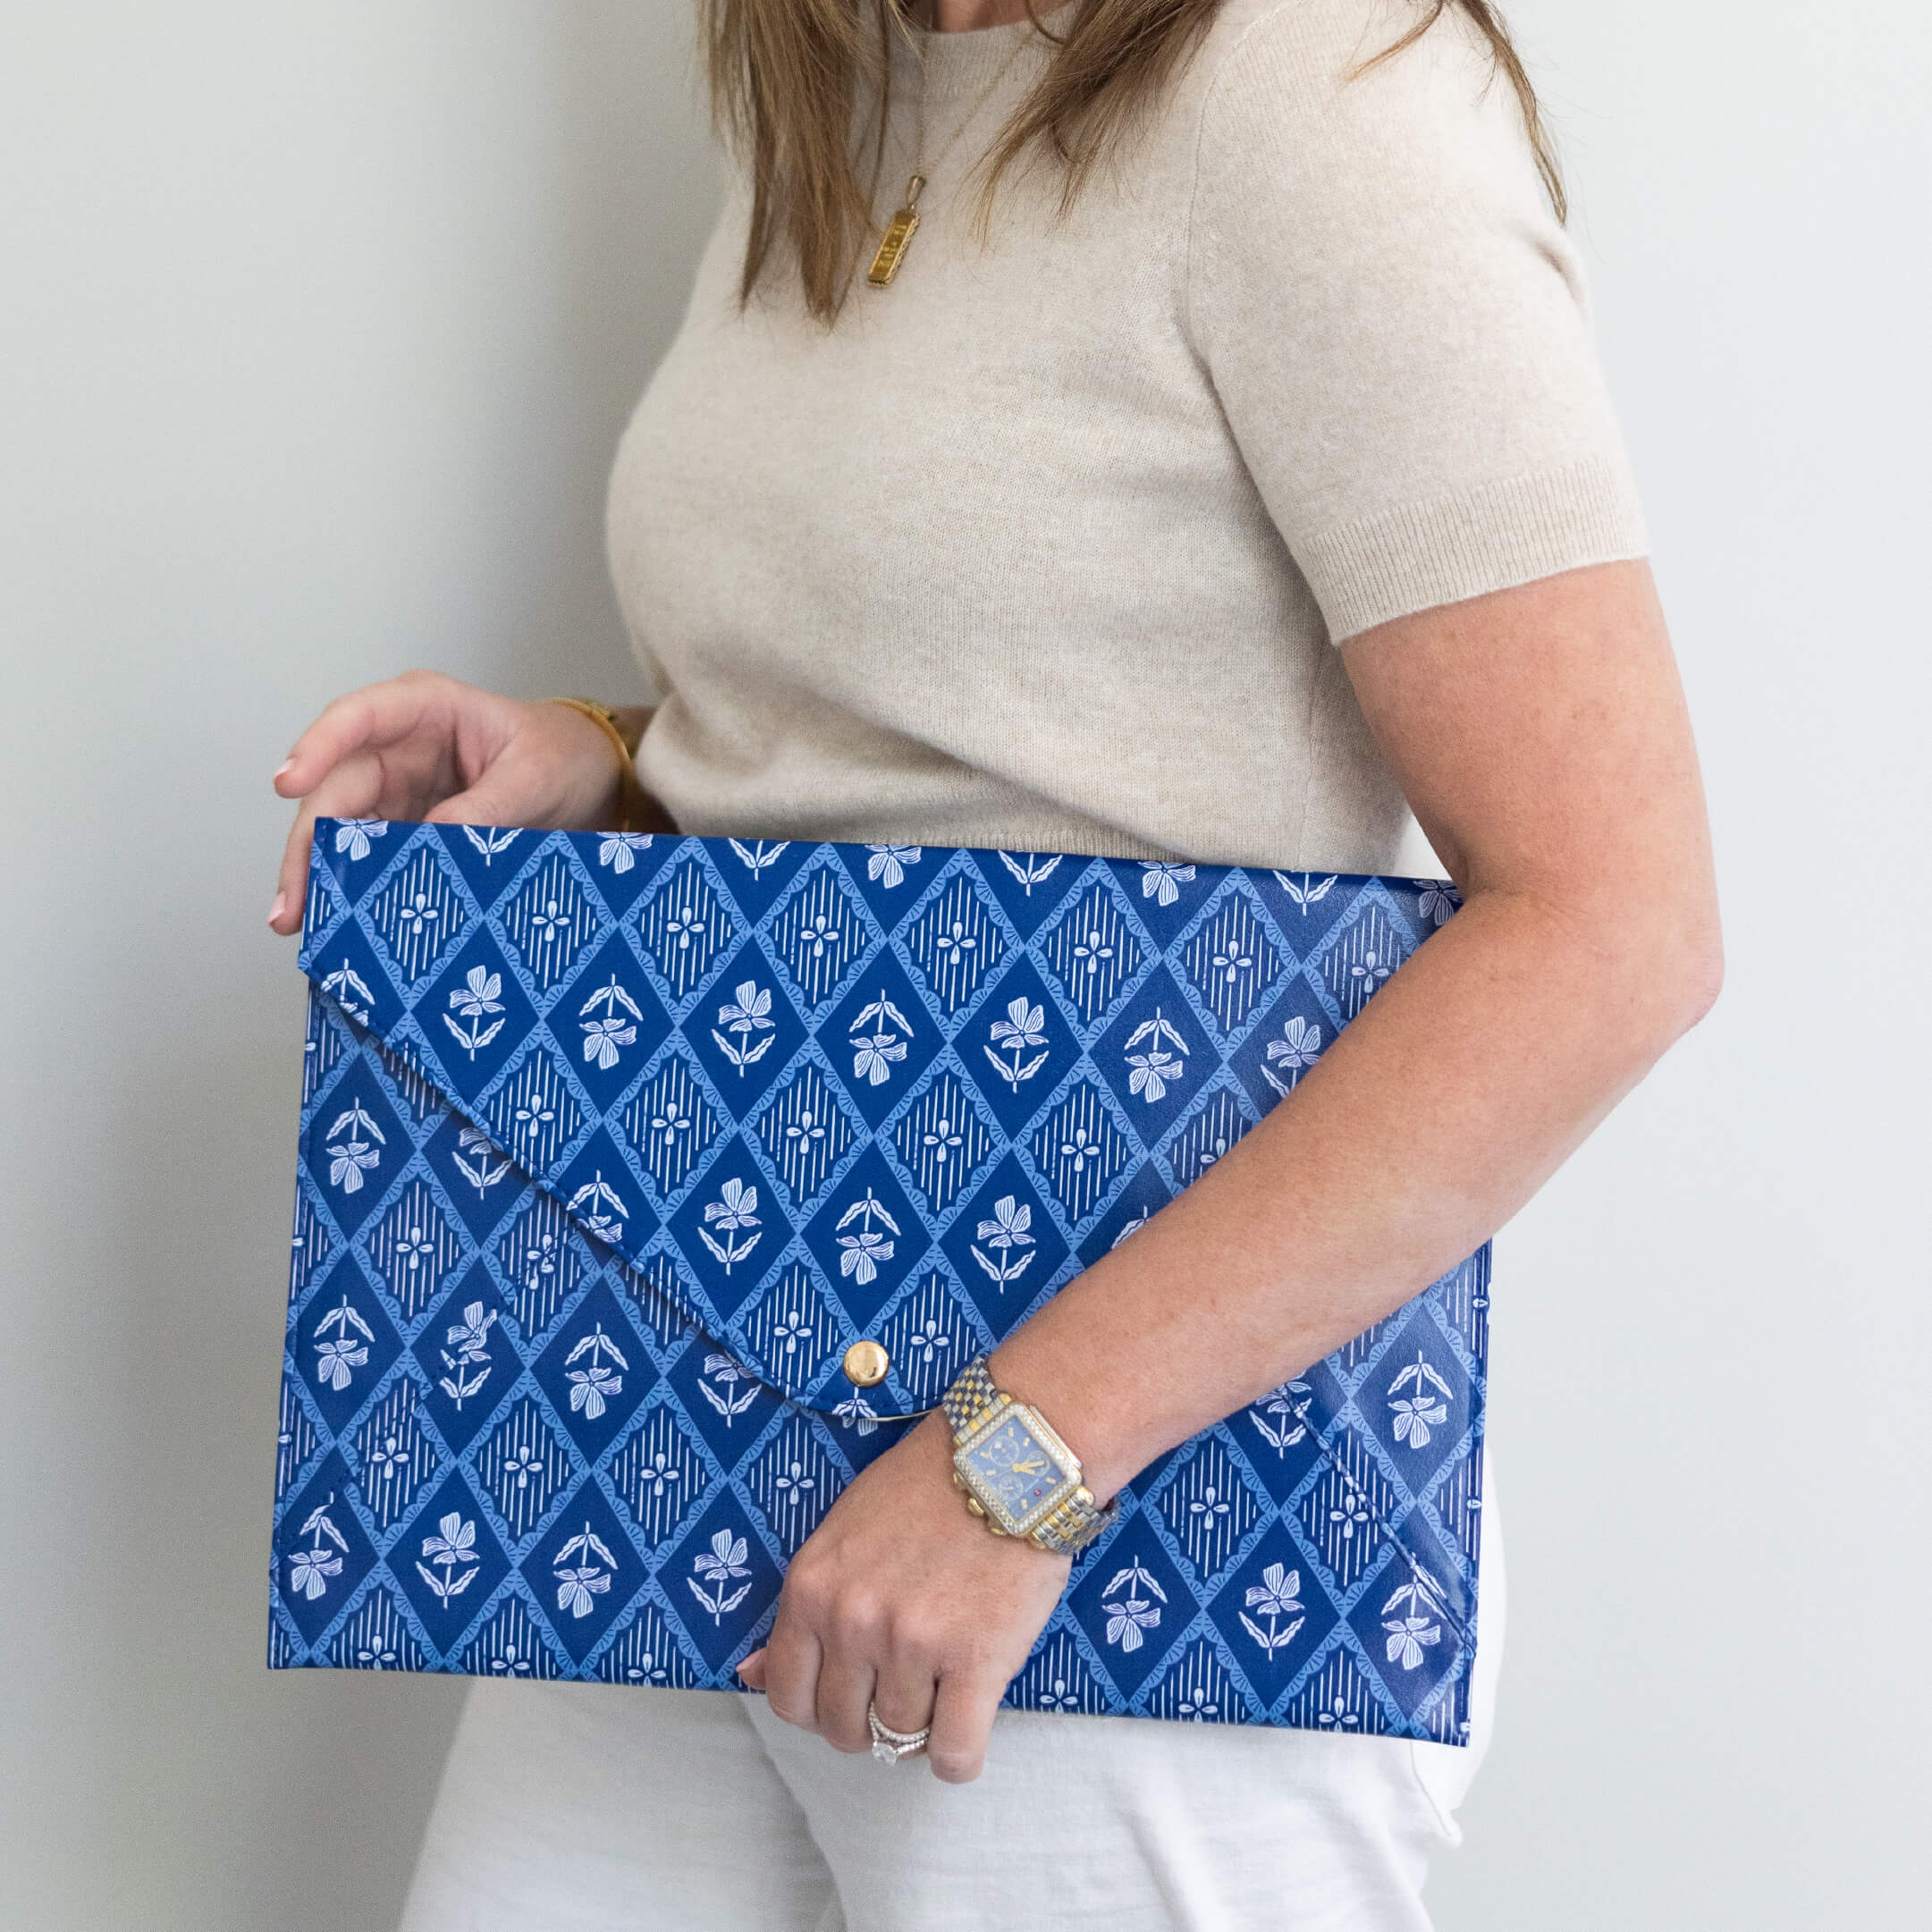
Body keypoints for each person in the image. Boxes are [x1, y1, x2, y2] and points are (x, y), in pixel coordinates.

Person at [267, 1, 1721, 1924]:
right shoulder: (847, 72)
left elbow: (1615, 923)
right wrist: (617, 768)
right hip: (675, 1417)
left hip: (1137, 1527)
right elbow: (976, 744)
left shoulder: (1327, 97)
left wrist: (1015, 1463)